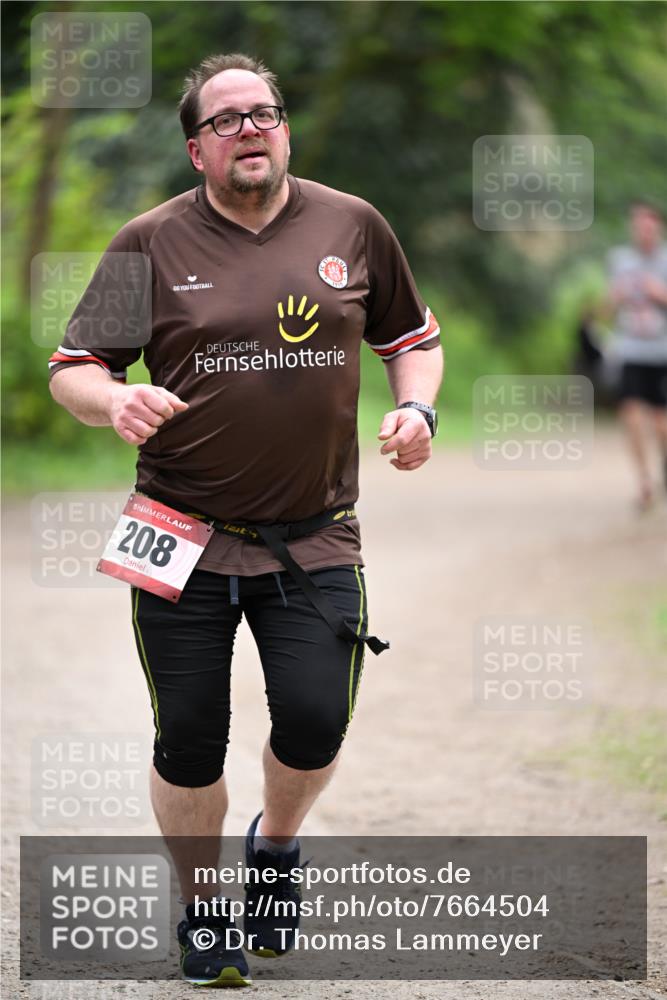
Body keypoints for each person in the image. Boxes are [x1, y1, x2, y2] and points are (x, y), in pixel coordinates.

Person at [48, 53, 443, 987]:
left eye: (263, 111)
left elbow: (411, 340)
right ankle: (201, 910)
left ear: (285, 129)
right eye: (225, 120)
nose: (249, 127)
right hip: (171, 527)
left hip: (316, 532)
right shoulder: (146, 242)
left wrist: (417, 409)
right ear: (197, 150)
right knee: (187, 736)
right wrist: (112, 404)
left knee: (314, 723)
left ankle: (274, 848)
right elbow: (73, 367)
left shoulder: (354, 224)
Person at [606, 201, 667, 510]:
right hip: (630, 349)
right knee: (630, 414)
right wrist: (615, 297)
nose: (643, 230)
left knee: (661, 423)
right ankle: (644, 481)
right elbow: (608, 305)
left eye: (649, 225)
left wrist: (659, 294)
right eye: (638, 225)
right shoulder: (620, 260)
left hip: (662, 352)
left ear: (658, 227)